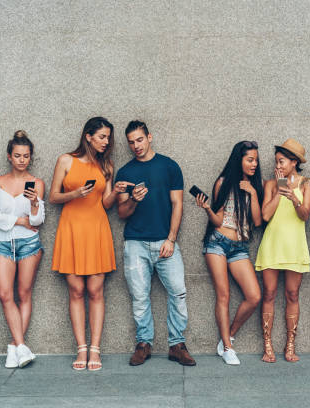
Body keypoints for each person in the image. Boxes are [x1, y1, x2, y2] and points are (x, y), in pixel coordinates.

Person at [116, 120, 196, 367]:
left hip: (165, 241)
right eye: (131, 142)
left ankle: (177, 345)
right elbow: (122, 213)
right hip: (136, 243)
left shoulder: (169, 166)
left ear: (149, 137)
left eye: (140, 140)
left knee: (178, 292)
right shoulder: (125, 173)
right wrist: (134, 200)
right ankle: (144, 344)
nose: (136, 146)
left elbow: (177, 204)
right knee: (140, 296)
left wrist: (171, 239)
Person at [50, 117, 125, 371]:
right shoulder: (65, 160)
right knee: (76, 291)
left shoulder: (107, 166)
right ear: (88, 136)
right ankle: (81, 348)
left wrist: (116, 191)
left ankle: (95, 348)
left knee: (96, 291)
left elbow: (105, 203)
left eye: (108, 138)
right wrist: (75, 193)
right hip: (71, 227)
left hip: (97, 229)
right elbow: (53, 196)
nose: (106, 142)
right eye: (102, 137)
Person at [194, 141, 264, 365]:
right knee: (223, 295)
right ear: (239, 160)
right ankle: (227, 347)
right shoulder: (223, 182)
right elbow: (217, 219)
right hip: (217, 242)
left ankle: (229, 334)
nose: (254, 164)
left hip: (240, 247)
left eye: (255, 160)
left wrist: (253, 192)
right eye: (249, 159)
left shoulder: (256, 185)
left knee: (254, 296)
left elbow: (257, 221)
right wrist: (206, 208)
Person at [0, 130, 44, 368]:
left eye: (26, 156)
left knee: (24, 294)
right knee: (5, 294)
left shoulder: (37, 183)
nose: (22, 159)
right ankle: (21, 346)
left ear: (30, 157)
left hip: (29, 244)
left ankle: (13, 348)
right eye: (18, 155)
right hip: (3, 243)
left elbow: (38, 221)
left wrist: (33, 203)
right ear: (9, 156)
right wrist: (19, 220)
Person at [255, 139, 310, 363]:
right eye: (276, 161)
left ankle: (290, 345)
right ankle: (267, 345)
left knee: (292, 294)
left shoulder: (308, 184)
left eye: (282, 161)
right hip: (272, 244)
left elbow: (305, 215)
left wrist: (294, 197)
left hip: (294, 245)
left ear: (294, 162)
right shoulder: (271, 184)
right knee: (269, 294)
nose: (278, 165)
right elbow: (265, 216)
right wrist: (280, 190)